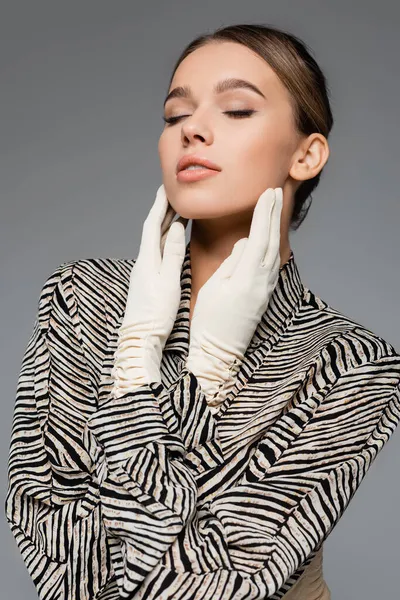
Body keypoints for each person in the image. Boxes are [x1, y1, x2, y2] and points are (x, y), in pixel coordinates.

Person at [5, 22, 400, 600]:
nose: (192, 129)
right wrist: (137, 350)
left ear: (306, 154)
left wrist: (205, 375)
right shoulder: (81, 297)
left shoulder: (353, 364)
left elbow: (212, 587)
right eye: (173, 116)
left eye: (237, 109)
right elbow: (65, 571)